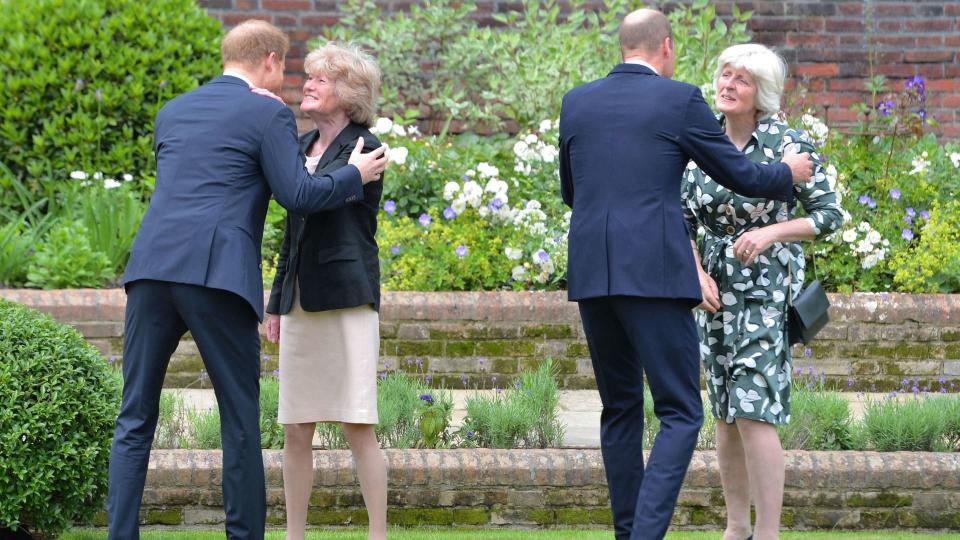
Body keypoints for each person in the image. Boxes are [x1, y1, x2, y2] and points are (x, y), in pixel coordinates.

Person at [108, 20, 388, 540]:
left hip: (148, 270)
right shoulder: (267, 114)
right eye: (287, 70)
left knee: (134, 419)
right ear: (270, 62)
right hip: (217, 275)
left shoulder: (172, 112)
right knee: (239, 421)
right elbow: (298, 196)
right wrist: (354, 175)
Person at [558, 9, 815, 540]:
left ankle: (628, 532)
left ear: (623, 45)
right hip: (652, 274)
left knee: (620, 408)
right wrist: (786, 175)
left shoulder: (576, 101)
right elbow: (739, 173)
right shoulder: (678, 100)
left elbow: (571, 191)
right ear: (666, 47)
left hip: (591, 273)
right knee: (679, 411)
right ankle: (645, 535)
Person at [682, 43, 843, 540]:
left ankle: (768, 533)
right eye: (725, 75)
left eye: (742, 80)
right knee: (726, 413)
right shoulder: (700, 138)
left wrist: (771, 232)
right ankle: (735, 528)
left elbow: (829, 216)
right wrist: (694, 275)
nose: (728, 85)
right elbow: (679, 217)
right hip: (712, 293)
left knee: (755, 409)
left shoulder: (788, 145)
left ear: (762, 94)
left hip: (765, 293)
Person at [263, 42, 387, 540]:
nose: (307, 85)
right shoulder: (300, 146)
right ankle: (295, 535)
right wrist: (275, 304)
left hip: (347, 299)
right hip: (299, 303)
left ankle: (377, 533)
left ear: (350, 91)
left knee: (358, 425)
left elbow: (316, 202)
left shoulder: (368, 148)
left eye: (321, 79)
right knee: (296, 427)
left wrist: (348, 174)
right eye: (308, 77)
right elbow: (291, 233)